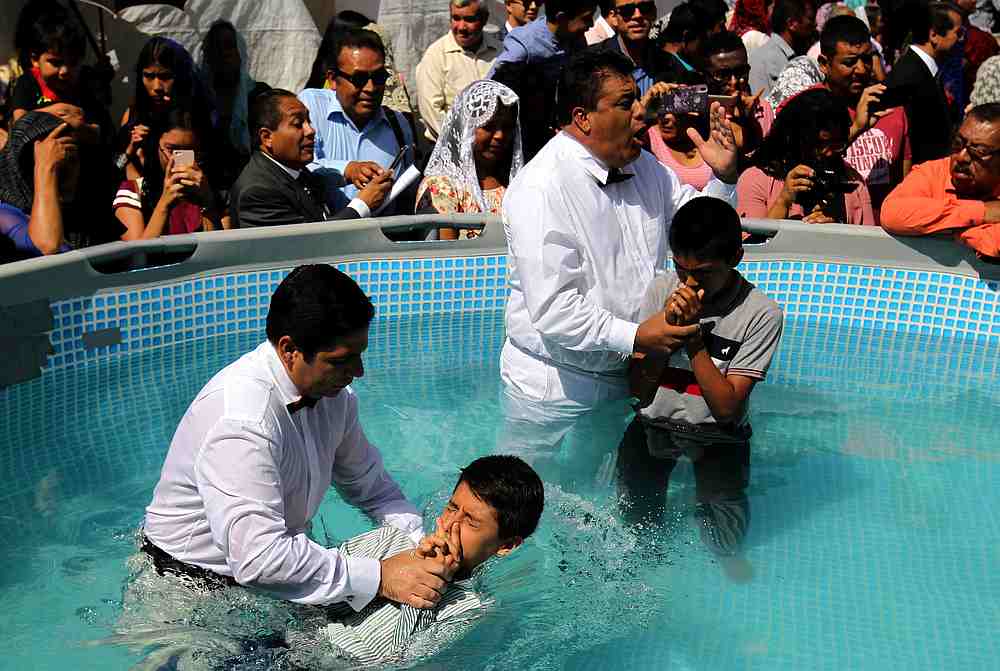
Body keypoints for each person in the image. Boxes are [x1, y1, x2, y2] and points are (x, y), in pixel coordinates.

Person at [142, 264, 456, 610]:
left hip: (267, 574)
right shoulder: (242, 423)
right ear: (289, 350)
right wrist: (381, 576)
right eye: (341, 360)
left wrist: (416, 543)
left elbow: (373, 487)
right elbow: (259, 558)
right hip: (183, 588)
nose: (358, 372)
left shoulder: (337, 399)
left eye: (360, 354)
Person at [499, 49, 740, 472]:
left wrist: (722, 178)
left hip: (623, 376)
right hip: (551, 387)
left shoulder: (648, 169)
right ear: (583, 117)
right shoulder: (540, 188)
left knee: (599, 500)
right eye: (626, 104)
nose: (641, 116)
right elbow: (555, 310)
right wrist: (638, 336)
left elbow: (696, 231)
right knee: (519, 505)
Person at [620, 197, 782, 579]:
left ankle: (727, 556)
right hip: (655, 422)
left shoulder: (761, 314)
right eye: (681, 269)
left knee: (725, 516)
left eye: (704, 274)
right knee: (636, 515)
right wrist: (663, 332)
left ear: (736, 258)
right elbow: (638, 392)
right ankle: (647, 566)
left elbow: (727, 409)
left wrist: (693, 341)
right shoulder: (662, 290)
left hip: (719, 434)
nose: (688, 284)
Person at [284, 455, 545, 667]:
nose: (450, 524)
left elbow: (397, 659)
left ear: (506, 545)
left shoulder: (468, 610)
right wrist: (387, 574)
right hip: (285, 639)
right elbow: (310, 595)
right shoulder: (388, 540)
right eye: (453, 508)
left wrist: (432, 584)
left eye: (471, 522)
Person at [230, 89, 392, 228]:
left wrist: (352, 172)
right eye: (298, 124)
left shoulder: (294, 171)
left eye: (309, 121)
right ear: (267, 137)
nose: (311, 130)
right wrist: (362, 205)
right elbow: (309, 245)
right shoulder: (259, 192)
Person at [298, 29, 415, 215]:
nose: (370, 88)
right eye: (359, 79)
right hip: (325, 237)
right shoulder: (311, 107)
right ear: (333, 79)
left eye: (378, 78)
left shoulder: (398, 125)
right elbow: (300, 168)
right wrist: (347, 169)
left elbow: (409, 193)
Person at [737, 88, 876, 225]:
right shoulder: (755, 180)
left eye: (836, 145)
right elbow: (752, 243)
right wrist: (783, 201)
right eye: (818, 144)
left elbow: (868, 244)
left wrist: (837, 228)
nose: (828, 153)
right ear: (793, 139)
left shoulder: (854, 183)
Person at [818, 14, 912, 214]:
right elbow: (805, 166)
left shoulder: (893, 110)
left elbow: (904, 186)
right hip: (827, 230)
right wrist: (856, 129)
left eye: (867, 59)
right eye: (850, 62)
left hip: (882, 235)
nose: (861, 69)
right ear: (824, 63)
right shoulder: (805, 107)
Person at [881, 103, 1000, 259]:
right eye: (958, 144)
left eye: (980, 151)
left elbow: (994, 245)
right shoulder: (933, 172)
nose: (962, 157)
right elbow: (892, 213)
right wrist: (981, 212)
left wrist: (950, 227)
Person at [415, 80, 522, 239]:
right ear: (466, 128)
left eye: (507, 127)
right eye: (488, 126)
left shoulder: (516, 182)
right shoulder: (443, 186)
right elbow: (445, 255)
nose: (500, 135)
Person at [113, 109, 221, 238]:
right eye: (171, 150)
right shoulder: (133, 192)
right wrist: (164, 204)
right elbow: (138, 254)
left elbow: (218, 249)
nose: (177, 159)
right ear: (156, 146)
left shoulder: (210, 192)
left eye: (189, 151)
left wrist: (207, 202)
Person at [119, 37, 214, 182]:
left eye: (165, 76)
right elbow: (117, 168)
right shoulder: (133, 114)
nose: (157, 86)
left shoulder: (191, 118)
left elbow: (186, 172)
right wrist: (130, 151)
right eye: (149, 76)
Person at [884, 1, 964, 165]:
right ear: (934, 35)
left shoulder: (925, 70)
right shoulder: (908, 77)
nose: (961, 39)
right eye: (958, 32)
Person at [198, 20, 270, 191]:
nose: (224, 54)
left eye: (229, 46)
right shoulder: (198, 98)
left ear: (240, 52)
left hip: (255, 184)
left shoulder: (260, 95)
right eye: (217, 47)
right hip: (209, 187)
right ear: (208, 54)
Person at [416, 0, 501, 142]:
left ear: (484, 19)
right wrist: (466, 144)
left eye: (469, 19)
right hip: (450, 151)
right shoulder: (436, 55)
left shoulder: (500, 52)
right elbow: (432, 112)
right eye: (456, 18)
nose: (461, 27)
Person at [0, 111, 76, 260]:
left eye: (73, 160)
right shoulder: (5, 214)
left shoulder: (85, 205)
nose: (70, 173)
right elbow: (47, 246)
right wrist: (46, 168)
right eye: (59, 164)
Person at [487, 0, 599, 94]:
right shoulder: (523, 46)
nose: (591, 24)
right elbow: (488, 91)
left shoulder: (575, 38)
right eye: (586, 18)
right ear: (561, 18)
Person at [703, 29, 772, 153]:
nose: (734, 81)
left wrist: (748, 121)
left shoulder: (762, 110)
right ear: (707, 75)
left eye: (741, 72)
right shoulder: (701, 113)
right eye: (723, 75)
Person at [588, 0, 667, 94]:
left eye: (645, 8)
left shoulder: (670, 64)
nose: (637, 15)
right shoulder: (592, 62)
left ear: (654, 12)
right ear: (613, 17)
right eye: (627, 10)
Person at [748, 0, 817, 97]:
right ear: (792, 23)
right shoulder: (762, 60)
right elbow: (763, 107)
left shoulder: (798, 57)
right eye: (811, 19)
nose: (815, 25)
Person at [647, 93, 714, 190]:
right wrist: (646, 101)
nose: (665, 119)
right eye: (661, 109)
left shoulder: (708, 136)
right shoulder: (649, 137)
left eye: (675, 109)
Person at [654, 3, 715, 84]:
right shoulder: (667, 73)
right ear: (688, 36)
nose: (706, 45)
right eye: (703, 39)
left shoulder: (690, 65)